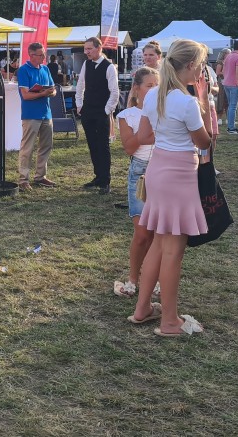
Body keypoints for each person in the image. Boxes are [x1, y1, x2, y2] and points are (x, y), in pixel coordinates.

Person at [128, 39, 211, 337]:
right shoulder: (186, 102)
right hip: (178, 174)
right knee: (173, 251)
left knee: (159, 245)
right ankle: (169, 321)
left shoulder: (153, 97)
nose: (201, 71)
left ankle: (142, 308)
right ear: (190, 66)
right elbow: (204, 142)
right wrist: (202, 103)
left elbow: (145, 135)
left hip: (157, 170)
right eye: (200, 65)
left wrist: (168, 131)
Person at [113, 66, 159, 297]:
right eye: (149, 86)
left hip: (163, 170)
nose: (154, 90)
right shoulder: (126, 116)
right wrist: (147, 125)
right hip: (140, 172)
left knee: (158, 233)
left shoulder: (166, 112)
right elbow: (130, 147)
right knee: (142, 233)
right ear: (137, 89)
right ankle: (133, 277)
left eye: (157, 86)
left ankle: (154, 277)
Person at [75, 37, 120, 195]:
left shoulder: (109, 67)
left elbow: (114, 92)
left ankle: (105, 180)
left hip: (102, 112)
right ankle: (98, 177)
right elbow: (80, 85)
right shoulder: (86, 64)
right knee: (92, 145)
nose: (86, 52)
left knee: (103, 146)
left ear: (98, 48)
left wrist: (107, 110)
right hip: (87, 111)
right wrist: (79, 104)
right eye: (85, 49)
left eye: (89, 49)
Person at [15, 43, 57, 191]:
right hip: (31, 115)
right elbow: (25, 95)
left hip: (46, 113)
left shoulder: (45, 69)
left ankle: (40, 176)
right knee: (28, 148)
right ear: (31, 55)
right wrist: (42, 94)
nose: (44, 57)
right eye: (40, 55)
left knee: (46, 146)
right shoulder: (23, 70)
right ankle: (23, 179)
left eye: (44, 54)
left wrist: (50, 92)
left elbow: (53, 89)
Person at [222, 40, 238, 135]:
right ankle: (231, 128)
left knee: (231, 105)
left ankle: (230, 126)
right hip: (233, 84)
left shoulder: (228, 56)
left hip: (226, 83)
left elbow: (223, 71)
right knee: (233, 106)